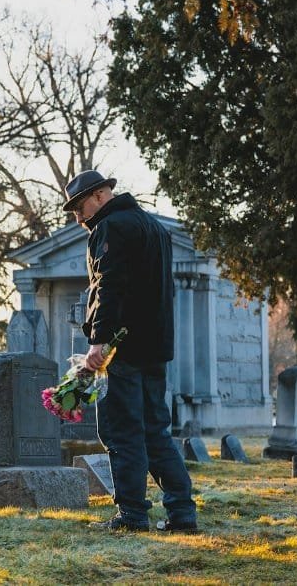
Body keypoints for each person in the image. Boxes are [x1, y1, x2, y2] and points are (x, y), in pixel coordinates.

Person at [61, 170, 199, 533]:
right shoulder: (154, 228)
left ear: (100, 195)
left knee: (121, 432)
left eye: (79, 207)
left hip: (121, 349)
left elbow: (109, 287)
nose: (78, 217)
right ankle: (182, 514)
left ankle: (133, 515)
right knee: (155, 432)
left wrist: (99, 342)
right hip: (155, 348)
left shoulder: (111, 228)